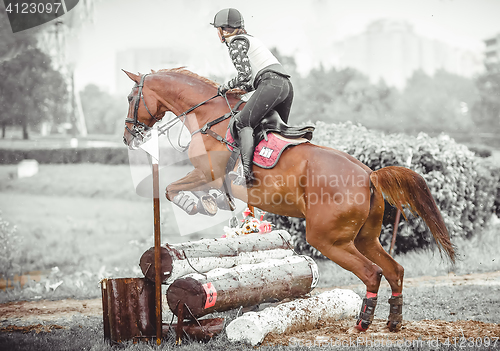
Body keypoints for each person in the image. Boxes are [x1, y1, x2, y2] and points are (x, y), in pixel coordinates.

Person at [211, 8, 293, 186]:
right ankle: (275, 172)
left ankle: (245, 174)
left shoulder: (235, 43)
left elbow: (244, 76)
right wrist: (242, 89)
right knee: (273, 131)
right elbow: (252, 80)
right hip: (285, 86)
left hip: (270, 84)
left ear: (221, 30)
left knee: (243, 123)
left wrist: (225, 87)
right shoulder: (251, 39)